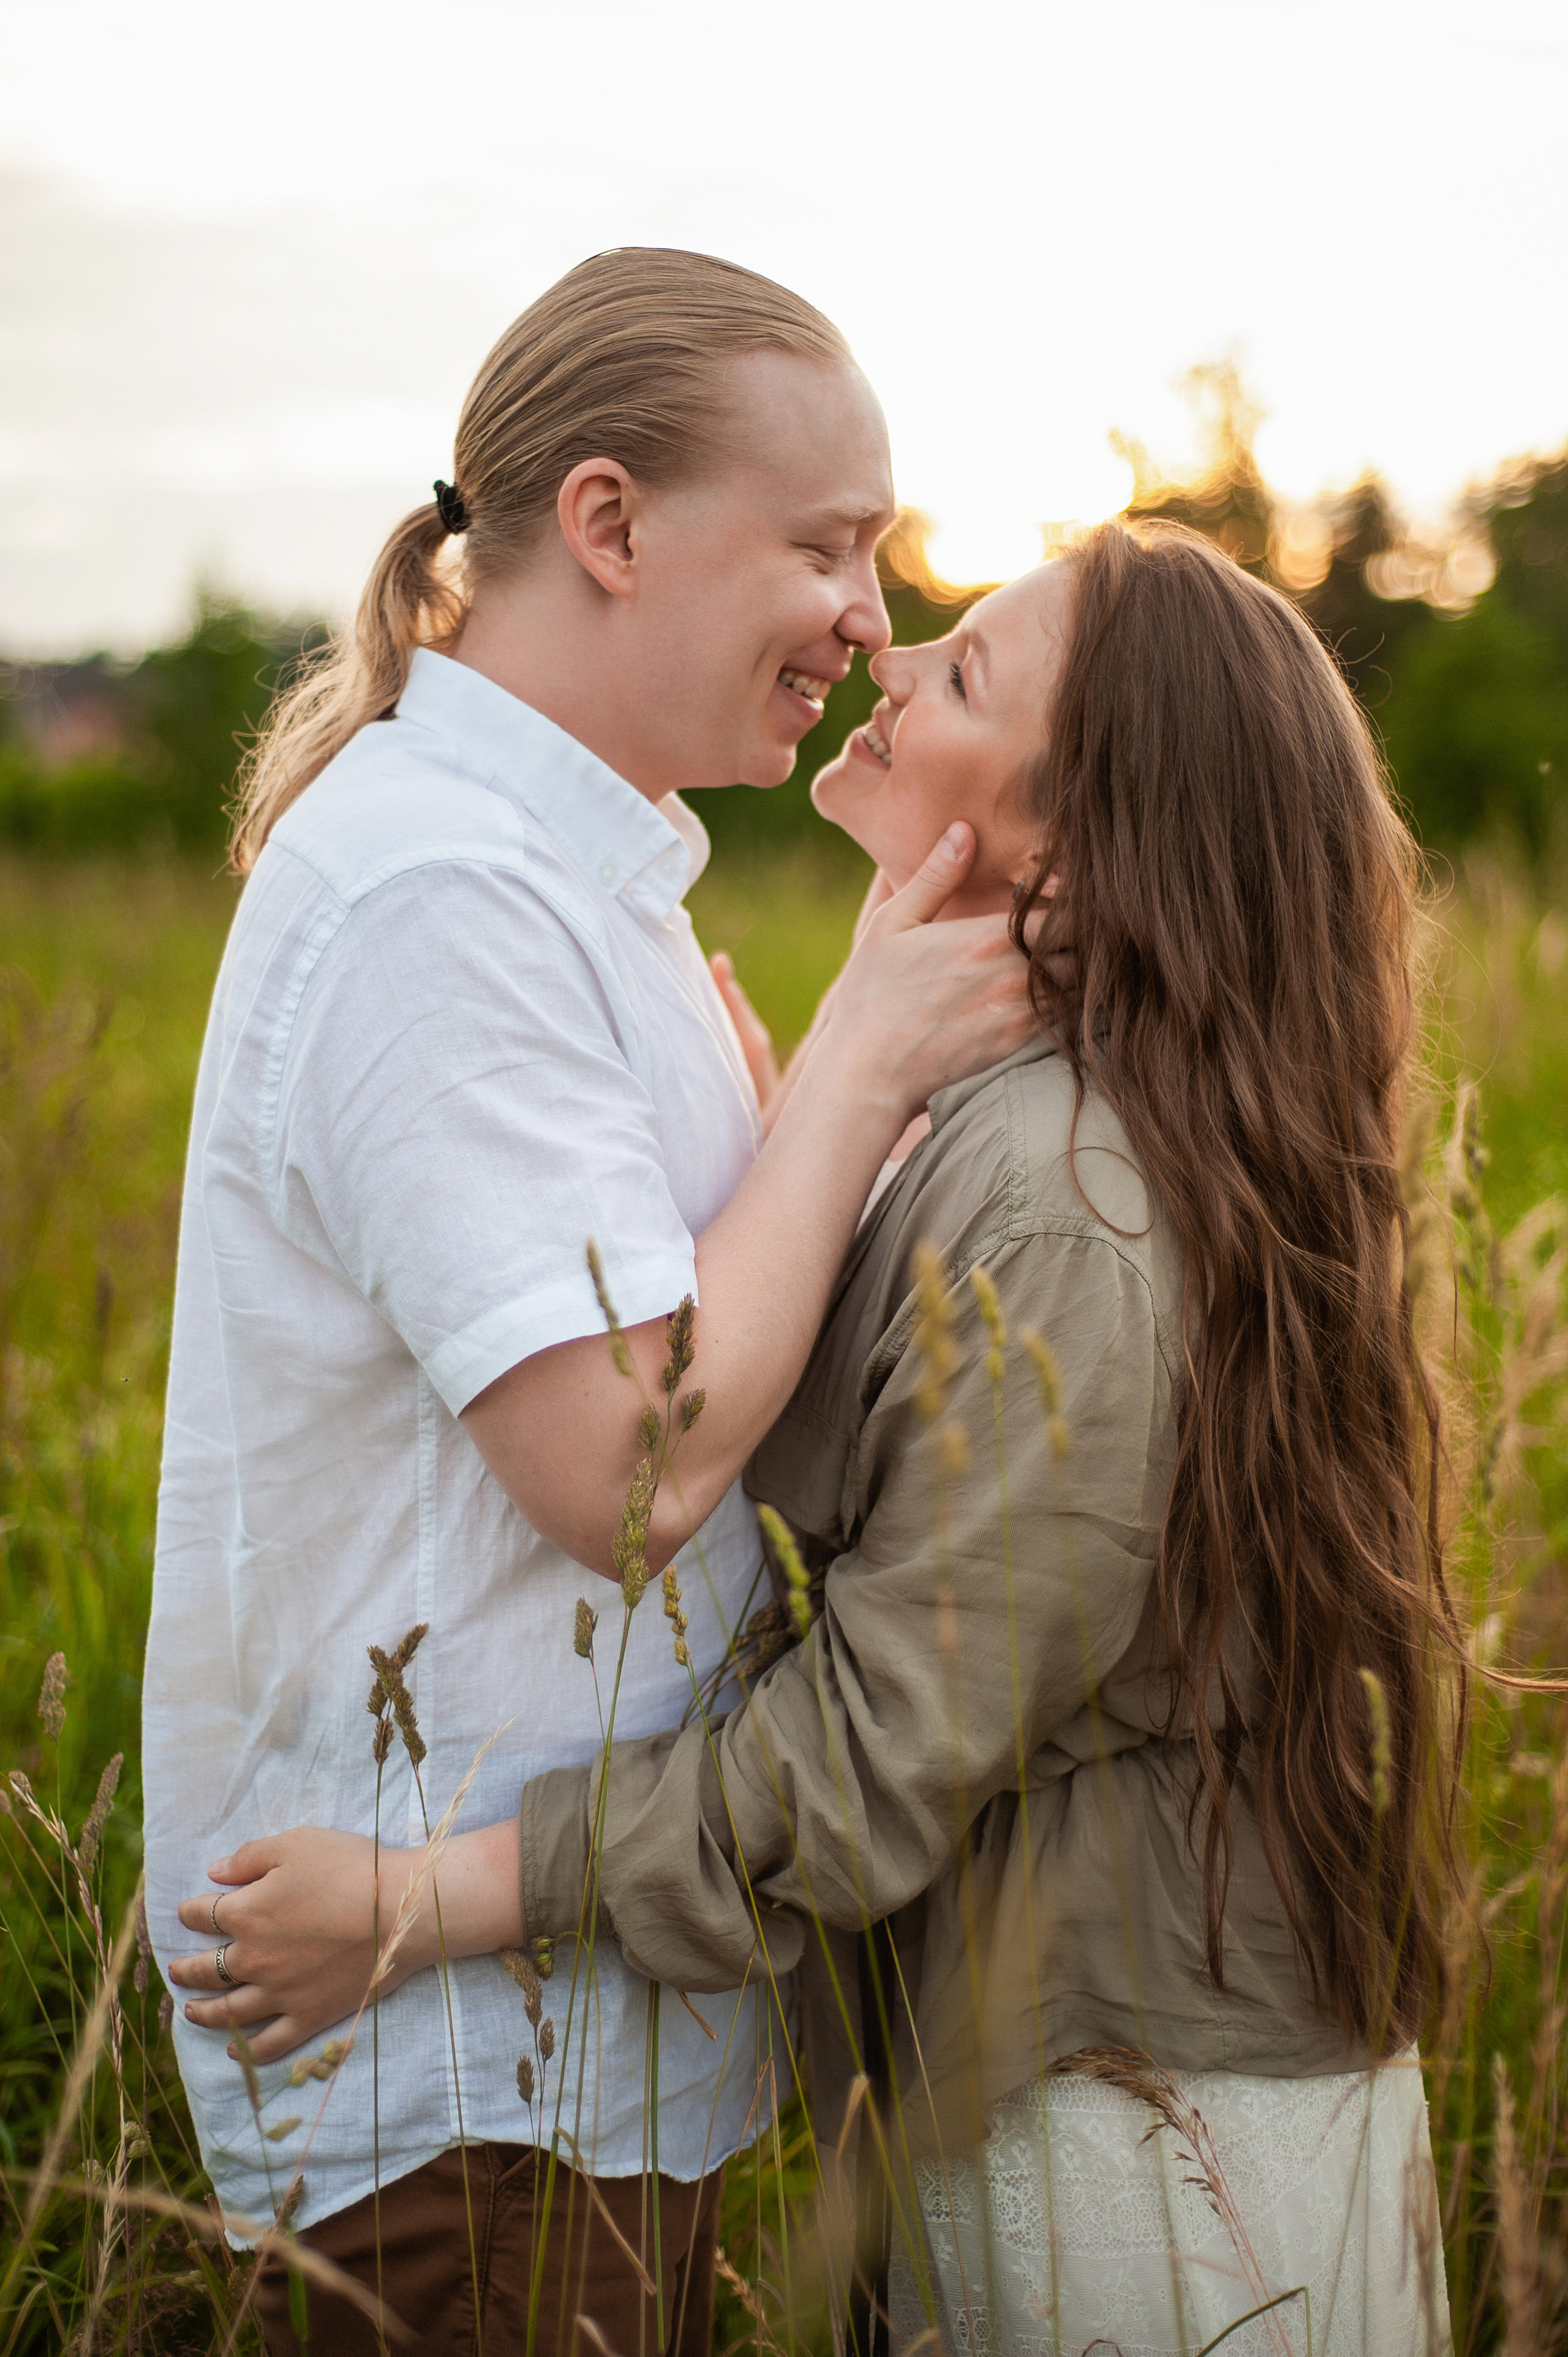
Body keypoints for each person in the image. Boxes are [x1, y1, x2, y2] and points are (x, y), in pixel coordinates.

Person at [175, 521, 1462, 2353]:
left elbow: (873, 1748)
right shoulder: (1002, 1133)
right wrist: (826, 1148)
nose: (890, 661)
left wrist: (428, 1900)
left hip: (1141, 2150)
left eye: (965, 672)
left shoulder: (1063, 1194)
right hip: (1047, 2081)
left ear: (1080, 860)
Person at [147, 245, 1038, 2357]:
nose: (870, 618)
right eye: (826, 544)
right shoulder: (442, 893)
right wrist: (855, 1067)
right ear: (612, 525)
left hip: (566, 2037)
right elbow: (627, 1467)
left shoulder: (579, 875)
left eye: (883, 556)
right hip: (460, 2080)